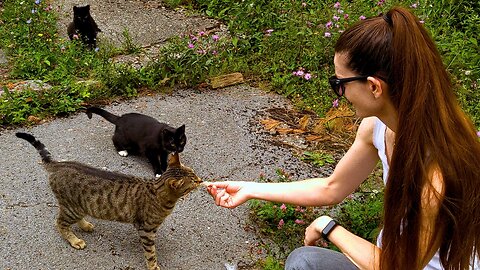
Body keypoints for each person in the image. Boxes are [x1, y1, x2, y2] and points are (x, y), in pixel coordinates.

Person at [204, 6, 480, 270]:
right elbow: (331, 188)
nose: (339, 93)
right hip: (388, 259)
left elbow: (398, 266)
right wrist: (250, 189)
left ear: (374, 87)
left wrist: (329, 227)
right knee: (304, 262)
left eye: (339, 84)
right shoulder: (377, 128)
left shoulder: (437, 175)